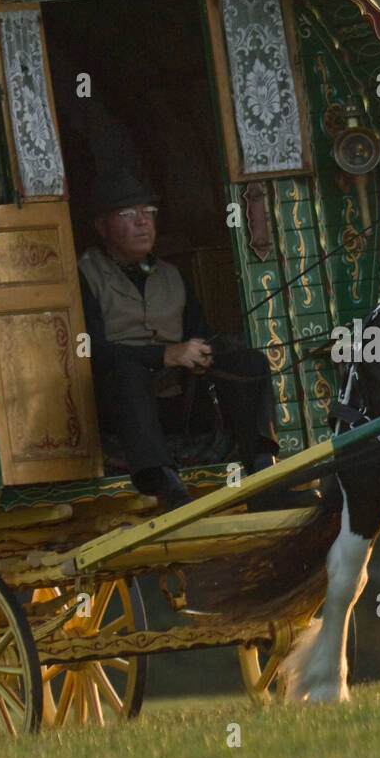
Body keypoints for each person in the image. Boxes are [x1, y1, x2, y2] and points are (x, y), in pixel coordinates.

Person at [77, 171, 314, 513]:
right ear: (101, 226)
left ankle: (264, 475)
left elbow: (199, 331)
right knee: (127, 372)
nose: (143, 223)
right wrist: (165, 355)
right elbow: (91, 352)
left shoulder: (172, 275)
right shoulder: (84, 275)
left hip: (181, 400)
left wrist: (205, 352)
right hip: (122, 405)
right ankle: (168, 487)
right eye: (129, 215)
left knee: (250, 363)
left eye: (149, 213)